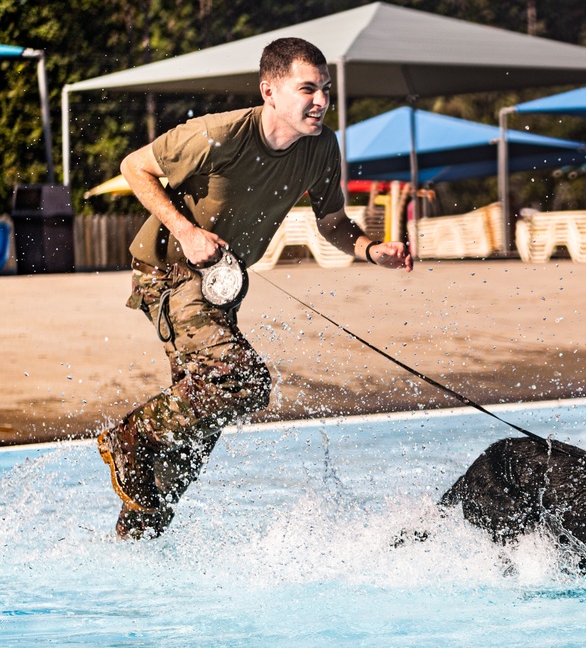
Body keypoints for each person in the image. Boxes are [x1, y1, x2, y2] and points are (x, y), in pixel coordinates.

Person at [98, 37, 412, 540]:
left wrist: (373, 250)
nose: (321, 101)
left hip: (222, 286)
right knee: (239, 381)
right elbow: (134, 166)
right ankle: (129, 436)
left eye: (325, 89)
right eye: (307, 88)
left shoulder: (320, 147)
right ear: (270, 90)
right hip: (169, 272)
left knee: (204, 412)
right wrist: (187, 231)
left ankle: (142, 524)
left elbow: (332, 222)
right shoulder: (218, 135)